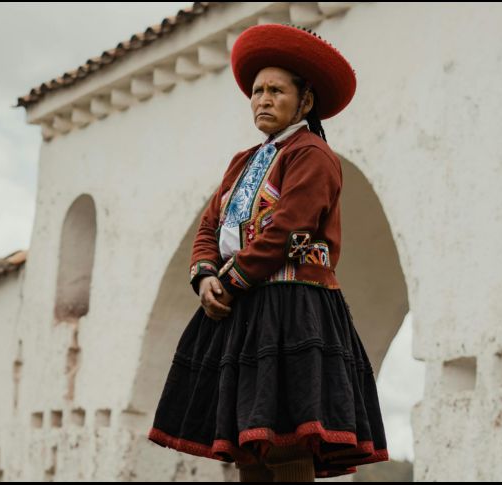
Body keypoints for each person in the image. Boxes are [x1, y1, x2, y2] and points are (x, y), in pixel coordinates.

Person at [147, 24, 389, 482]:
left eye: (276, 91)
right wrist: (205, 277)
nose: (262, 99)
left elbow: (289, 228)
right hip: (244, 310)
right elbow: (210, 226)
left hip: (291, 308)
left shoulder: (312, 154)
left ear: (305, 101)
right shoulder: (241, 162)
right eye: (257, 91)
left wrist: (230, 281)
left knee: (286, 440)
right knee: (251, 444)